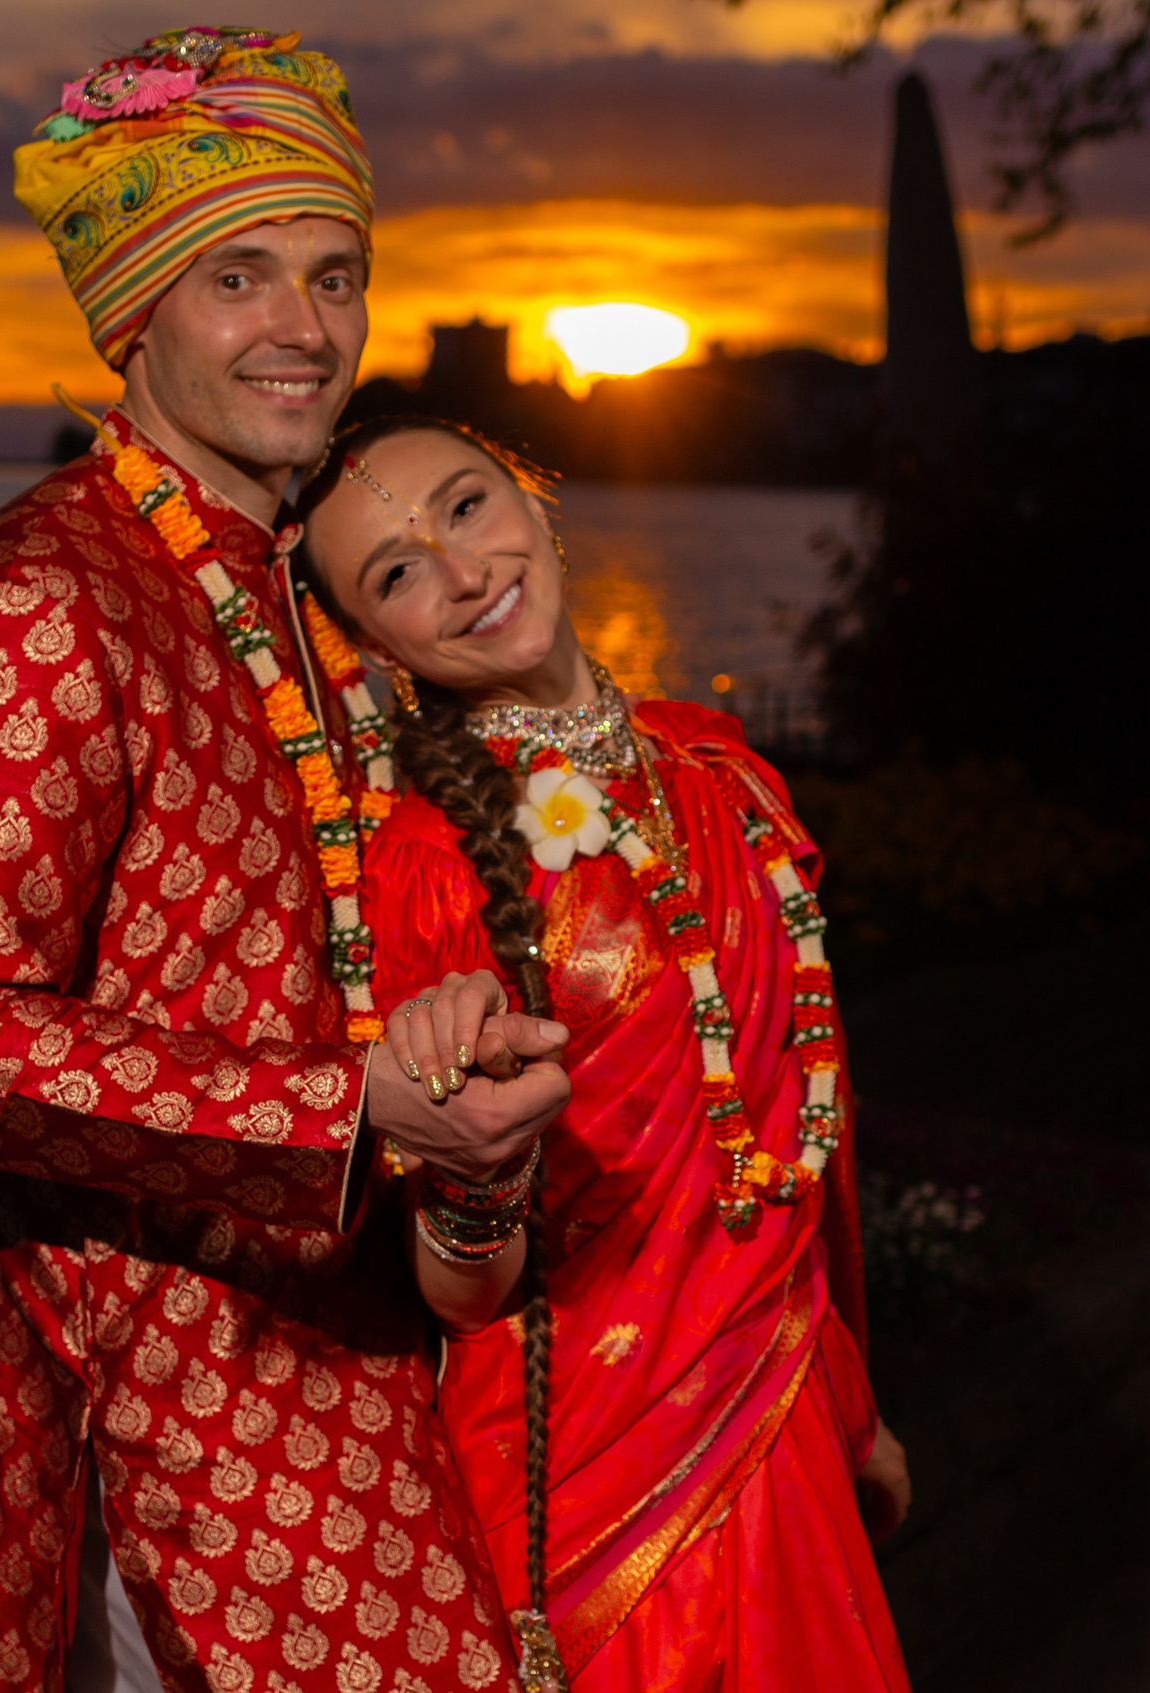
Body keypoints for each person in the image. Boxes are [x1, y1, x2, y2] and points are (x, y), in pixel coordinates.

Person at [0, 28, 566, 1693]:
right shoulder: (48, 601)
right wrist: (345, 1110)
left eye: (336, 273)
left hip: (354, 1367)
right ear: (136, 312)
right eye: (238, 275)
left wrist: (457, 1076)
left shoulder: (290, 597)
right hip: (162, 1417)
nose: (304, 326)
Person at [289, 414, 915, 1690]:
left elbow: (811, 1144)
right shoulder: (425, 869)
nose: (460, 571)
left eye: (464, 506)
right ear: (369, 646)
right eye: (395, 574)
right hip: (592, 1487)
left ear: (534, 496)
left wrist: (853, 1388)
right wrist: (468, 1170)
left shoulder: (724, 771)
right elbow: (462, 1294)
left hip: (787, 1407)